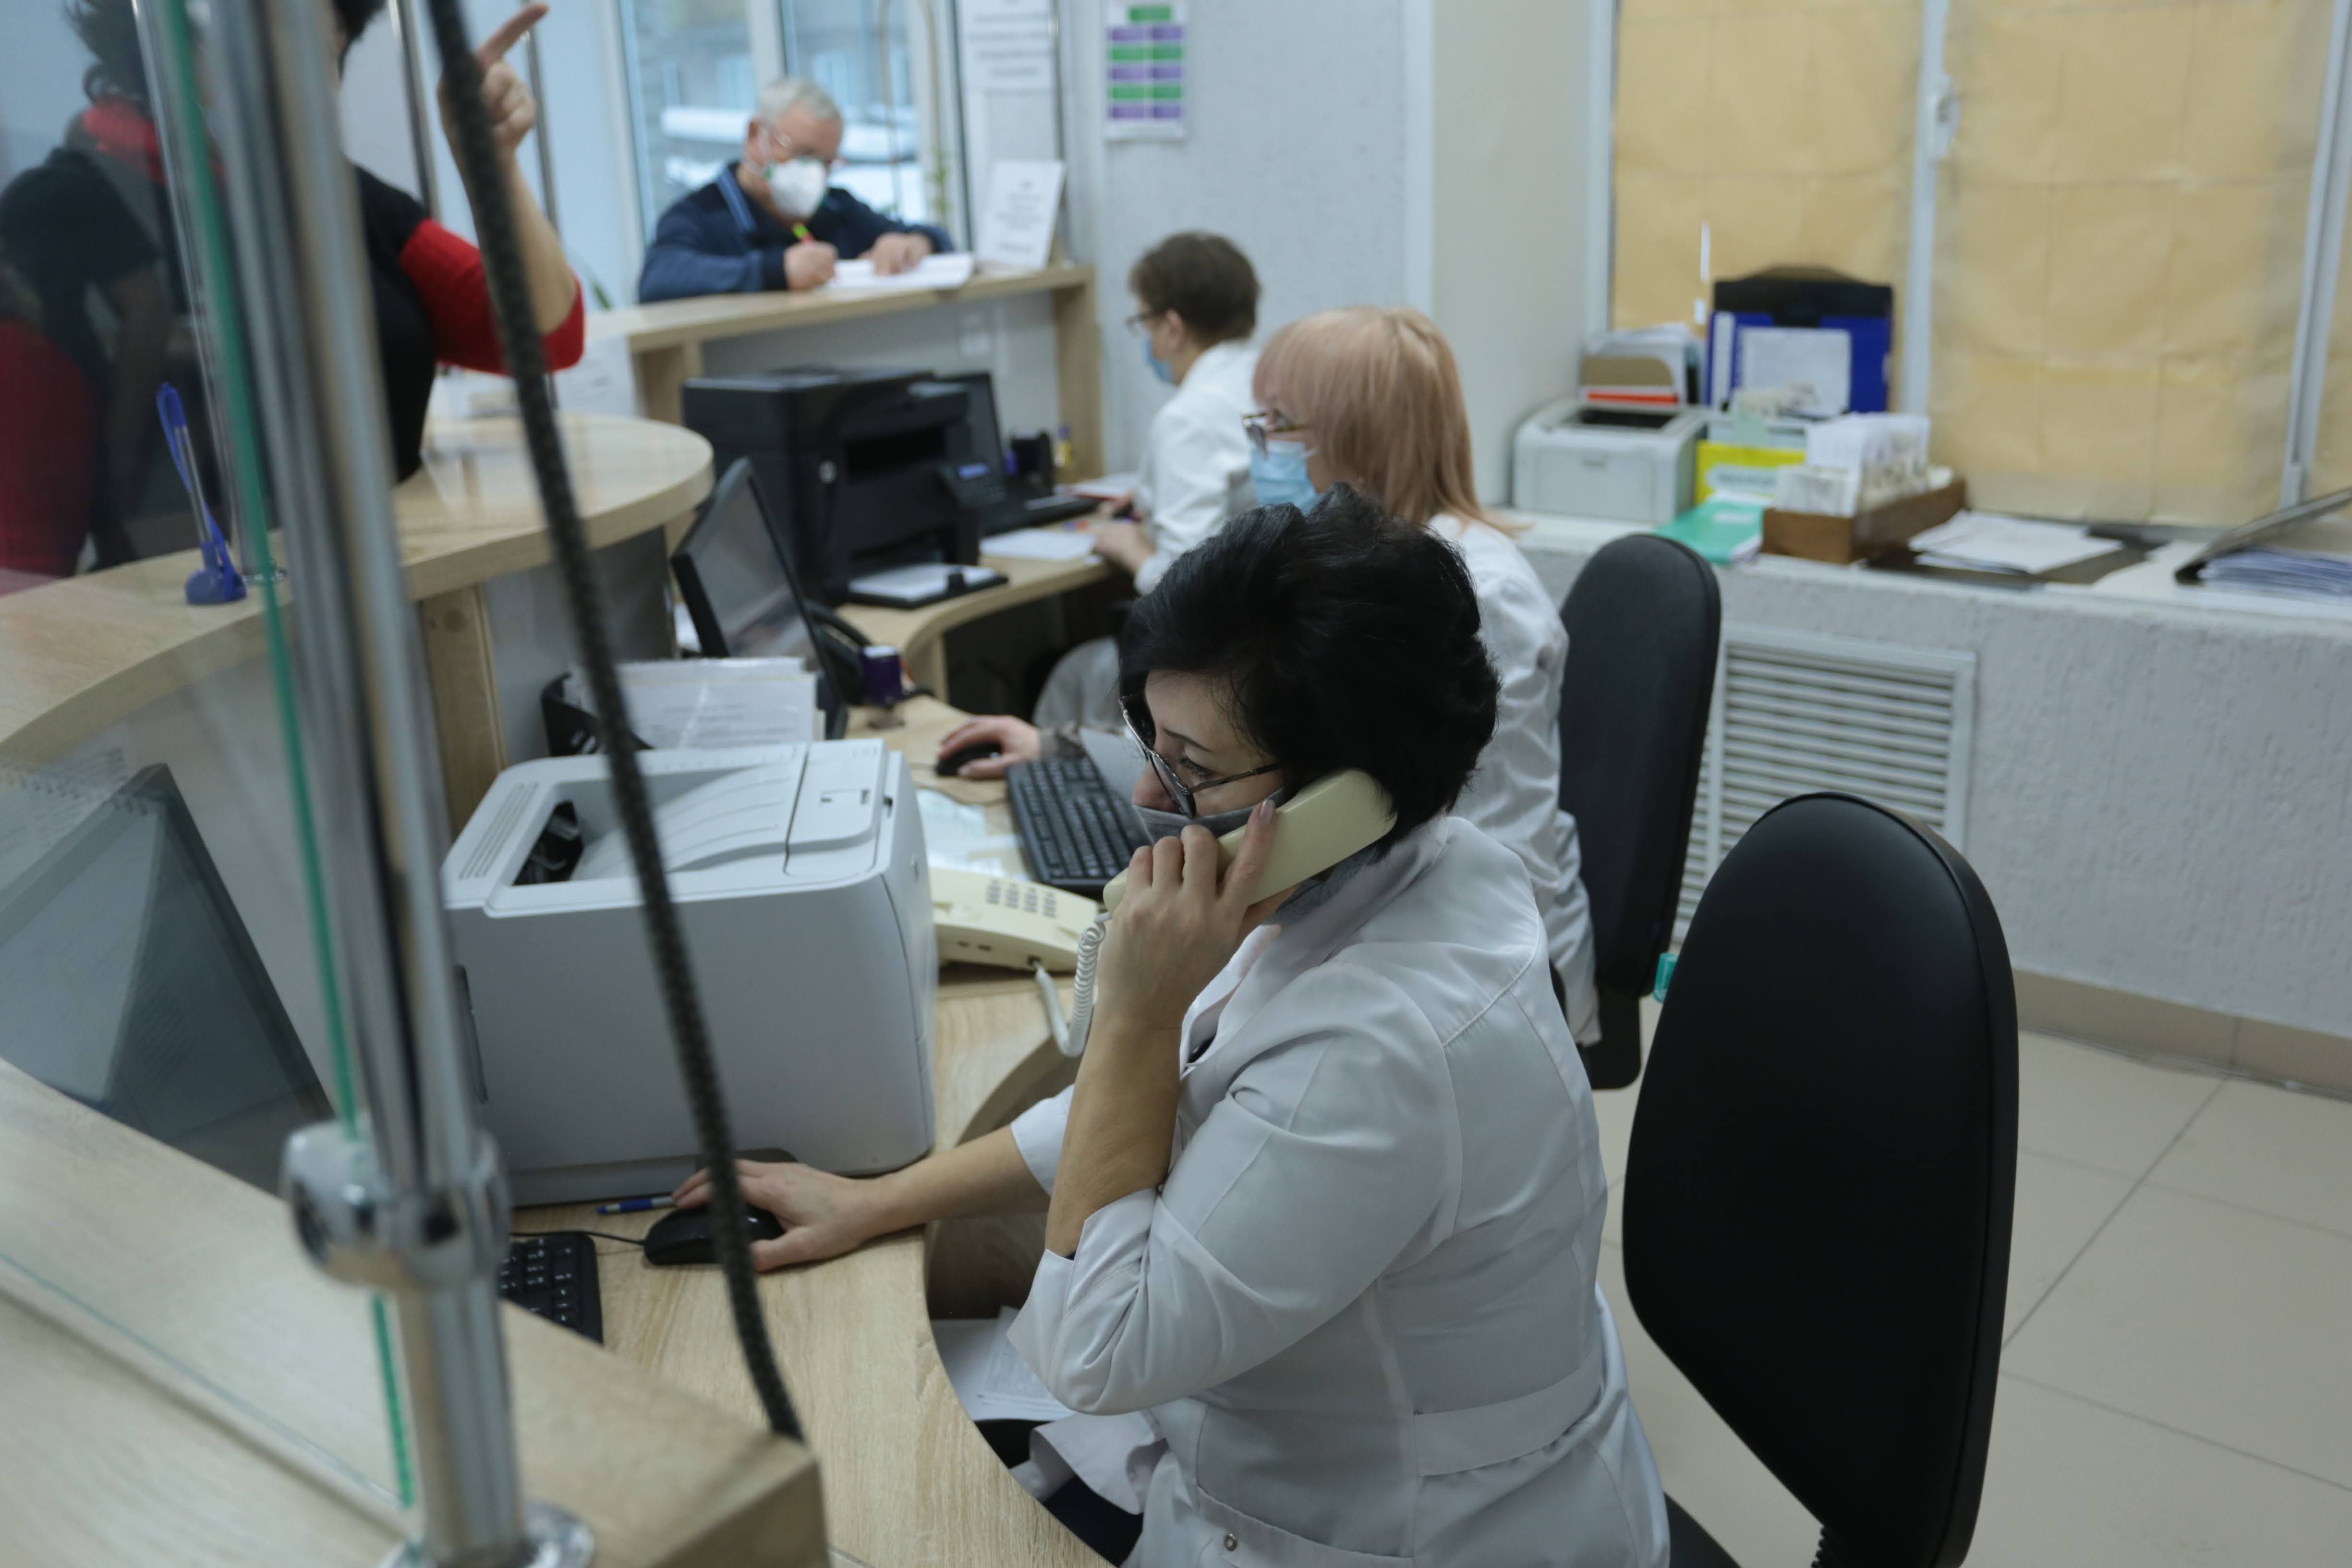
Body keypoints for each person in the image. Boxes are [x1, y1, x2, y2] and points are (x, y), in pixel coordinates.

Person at [675, 492, 1668, 1567]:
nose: (1150, 791)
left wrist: (1134, 1015)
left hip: (1405, 1531)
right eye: (1152, 743)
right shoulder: (1407, 866)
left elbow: (1094, 1351)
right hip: (1319, 1437)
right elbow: (1169, 1105)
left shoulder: (1377, 1049)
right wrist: (875, 1202)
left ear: (1345, 797)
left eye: (1192, 768)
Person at [944, 304, 1603, 1045]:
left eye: (1278, 424)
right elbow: (1229, 742)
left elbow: (1378, 810)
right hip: (1364, 912)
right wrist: (1061, 747)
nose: (1259, 445)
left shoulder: (1469, 601)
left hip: (1467, 960)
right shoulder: (1349, 577)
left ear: (1359, 440)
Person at [0, 0, 582, 586]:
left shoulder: (345, 197)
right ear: (155, 45)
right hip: (185, 626)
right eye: (244, 45)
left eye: (315, 54)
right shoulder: (52, 214)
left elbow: (545, 335)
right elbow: (21, 566)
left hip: (385, 600)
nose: (283, 82)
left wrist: (492, 165)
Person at [1030, 232, 1260, 727]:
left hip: (1218, 659)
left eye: (1145, 323)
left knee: (1073, 671)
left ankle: (1051, 770)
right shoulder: (1264, 380)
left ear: (1173, 327)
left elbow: (1181, 583)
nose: (1148, 341)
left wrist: (1130, 547)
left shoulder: (1188, 418)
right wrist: (1154, 497)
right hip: (1264, 633)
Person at [636, 78, 954, 304]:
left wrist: (916, 244)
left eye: (826, 163)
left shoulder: (836, 208)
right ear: (755, 136)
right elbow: (658, 279)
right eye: (803, 155)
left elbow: (936, 238)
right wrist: (775, 272)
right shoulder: (701, 215)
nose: (814, 174)